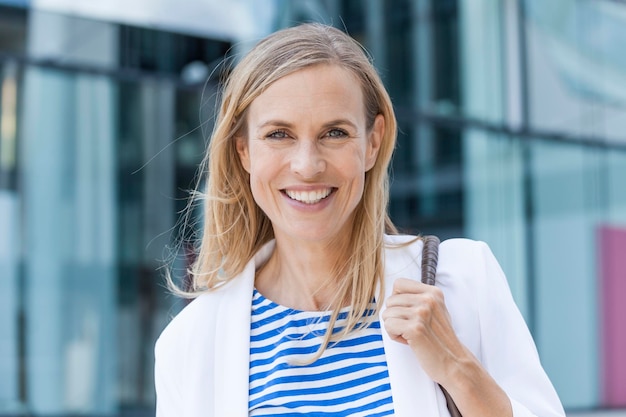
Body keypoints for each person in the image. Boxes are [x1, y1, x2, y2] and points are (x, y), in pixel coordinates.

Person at [154, 23, 565, 417]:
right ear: (244, 151)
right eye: (279, 134)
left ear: (373, 142)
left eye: (334, 133)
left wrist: (458, 368)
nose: (307, 165)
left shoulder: (462, 281)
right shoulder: (190, 345)